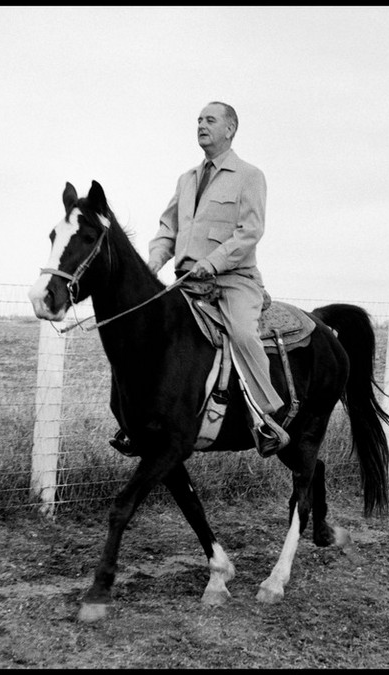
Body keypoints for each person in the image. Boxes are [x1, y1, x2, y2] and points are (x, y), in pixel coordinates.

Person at [112, 101, 289, 458]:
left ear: (230, 129)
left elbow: (250, 232)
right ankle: (138, 423)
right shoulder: (187, 179)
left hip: (233, 279)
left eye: (210, 120)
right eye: (198, 120)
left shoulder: (249, 176)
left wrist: (213, 262)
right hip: (186, 281)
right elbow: (168, 228)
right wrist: (154, 261)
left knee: (241, 332)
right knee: (148, 333)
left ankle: (265, 418)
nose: (201, 125)